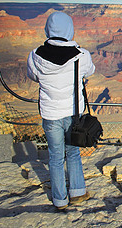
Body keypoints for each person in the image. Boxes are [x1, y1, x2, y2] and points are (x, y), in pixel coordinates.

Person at [27, 11, 95, 210]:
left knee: (55, 157)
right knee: (72, 152)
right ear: (69, 29)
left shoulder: (35, 55)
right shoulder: (82, 55)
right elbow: (90, 71)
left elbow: (33, 76)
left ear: (48, 29)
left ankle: (59, 200)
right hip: (73, 113)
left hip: (50, 114)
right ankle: (78, 192)